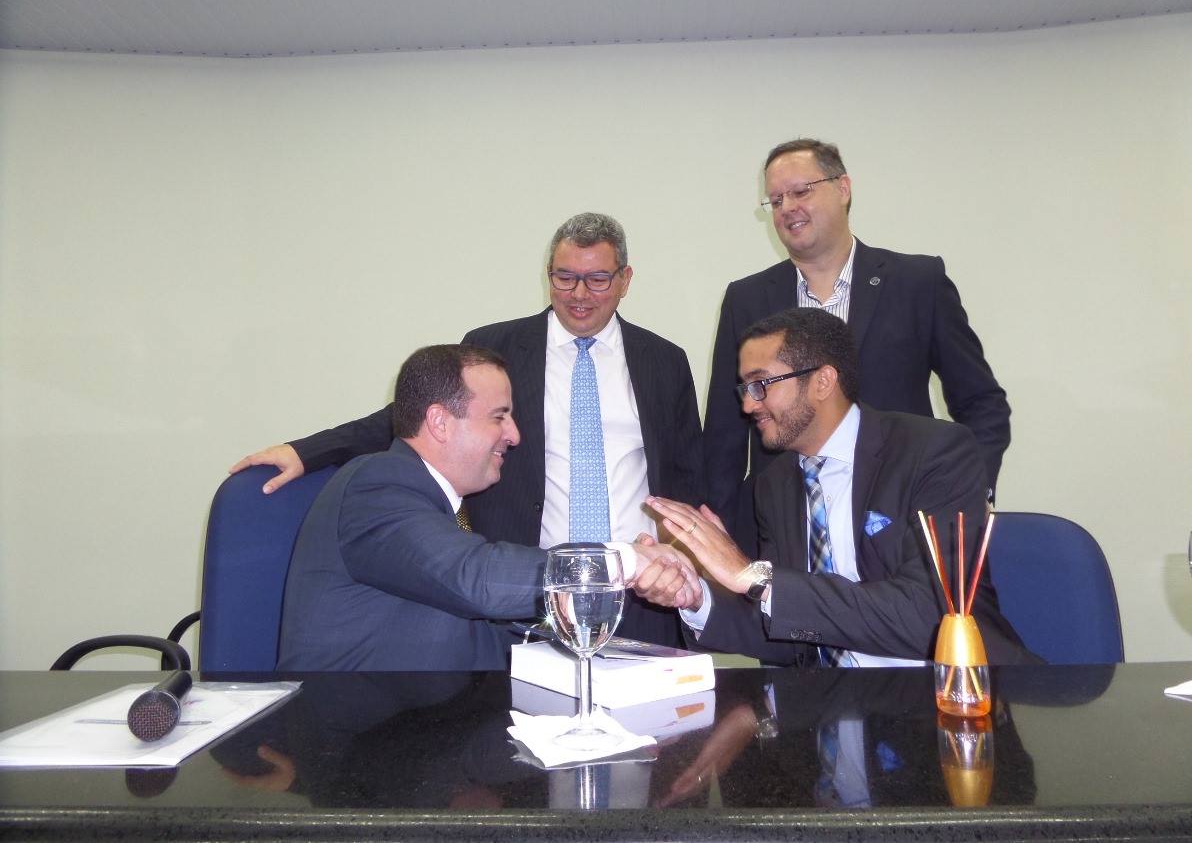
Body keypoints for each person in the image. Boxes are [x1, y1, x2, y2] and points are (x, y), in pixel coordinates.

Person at [238, 212, 704, 647]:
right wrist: (308, 452)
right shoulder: (497, 346)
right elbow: (415, 413)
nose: (579, 293)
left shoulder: (663, 361)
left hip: (640, 593)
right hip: (522, 593)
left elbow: (687, 475)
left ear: (625, 279)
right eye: (565, 277)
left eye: (597, 279)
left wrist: (681, 567)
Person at [638, 308, 1037, 667]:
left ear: (823, 382)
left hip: (951, 696)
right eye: (745, 389)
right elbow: (791, 636)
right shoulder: (774, 485)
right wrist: (697, 597)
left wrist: (756, 576)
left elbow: (934, 615)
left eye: (761, 384)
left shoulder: (934, 452)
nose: (748, 405)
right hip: (834, 706)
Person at [277, 344, 695, 672]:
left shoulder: (437, 503)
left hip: (435, 724)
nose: (514, 435)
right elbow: (473, 578)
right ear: (439, 422)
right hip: (360, 741)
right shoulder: (376, 484)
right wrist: (621, 561)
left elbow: (483, 622)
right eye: (499, 417)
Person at [704, 138, 1010, 547]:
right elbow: (723, 436)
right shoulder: (747, 299)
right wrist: (722, 537)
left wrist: (964, 497)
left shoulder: (917, 283)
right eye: (775, 200)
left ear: (843, 188)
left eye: (801, 191)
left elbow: (982, 404)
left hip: (902, 523)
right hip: (784, 531)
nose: (787, 207)